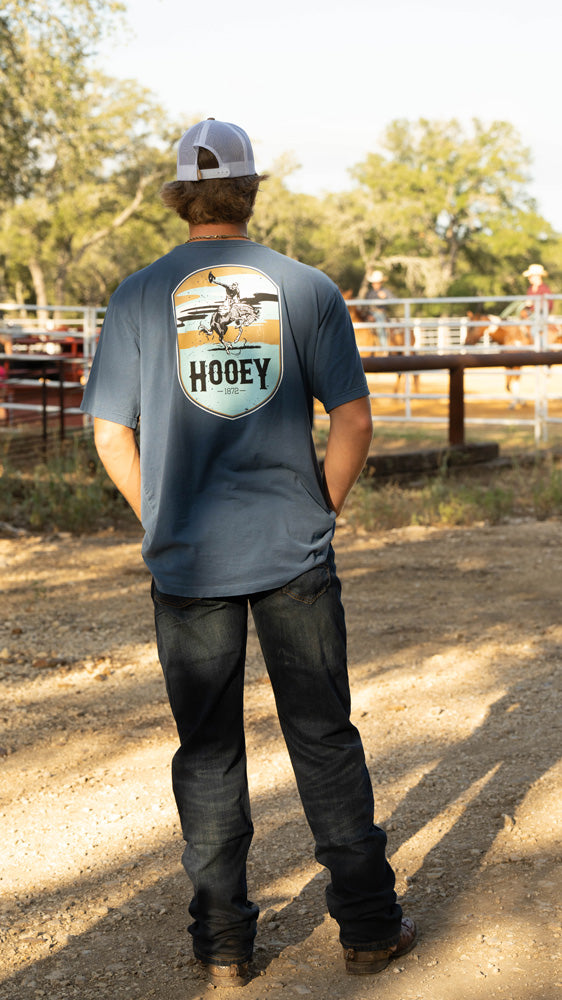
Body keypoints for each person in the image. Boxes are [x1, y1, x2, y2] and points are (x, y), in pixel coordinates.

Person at [81, 118, 416, 988]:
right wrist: (320, 510)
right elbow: (354, 418)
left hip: (187, 561)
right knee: (323, 737)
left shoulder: (137, 296)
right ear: (249, 189)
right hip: (292, 552)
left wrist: (158, 519)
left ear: (180, 197)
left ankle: (224, 944)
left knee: (208, 751)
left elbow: (112, 433)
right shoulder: (306, 288)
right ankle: (371, 928)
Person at [363, 269, 394, 349]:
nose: (374, 284)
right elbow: (366, 305)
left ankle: (384, 347)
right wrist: (368, 314)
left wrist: (385, 297)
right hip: (370, 313)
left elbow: (394, 299)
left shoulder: (385, 291)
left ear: (381, 283)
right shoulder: (369, 293)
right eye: (373, 283)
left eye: (377, 282)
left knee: (380, 326)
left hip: (380, 313)